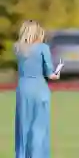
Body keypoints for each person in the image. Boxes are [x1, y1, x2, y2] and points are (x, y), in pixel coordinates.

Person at [15, 20, 60, 158]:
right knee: (39, 128)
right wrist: (56, 73)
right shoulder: (43, 48)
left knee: (23, 127)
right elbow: (49, 73)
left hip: (23, 89)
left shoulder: (18, 48)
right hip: (39, 89)